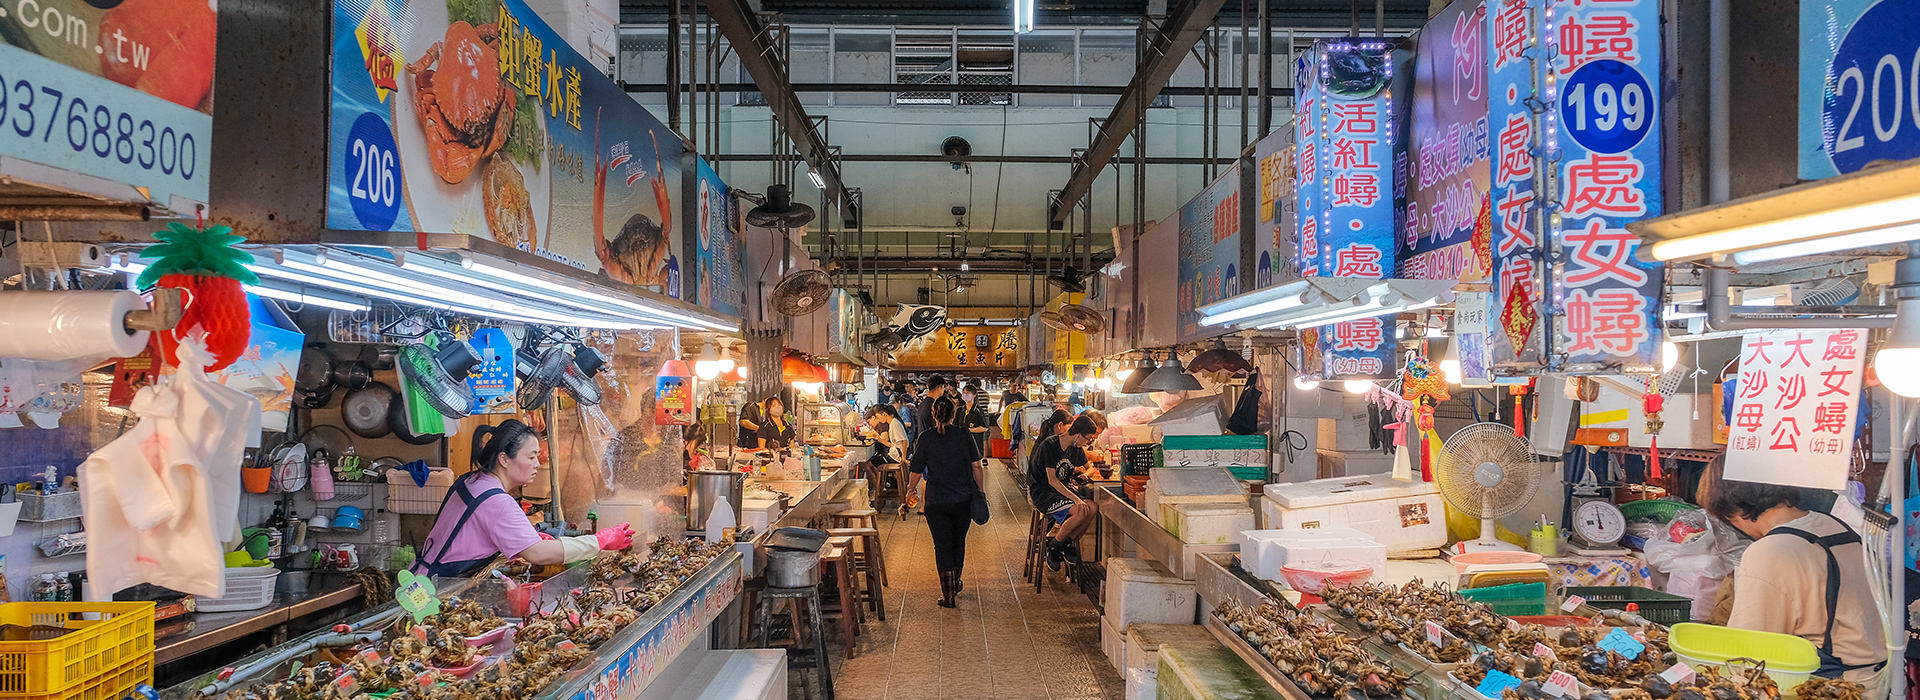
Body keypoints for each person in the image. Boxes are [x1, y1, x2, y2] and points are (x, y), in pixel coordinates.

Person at [1704, 457, 1887, 687]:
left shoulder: (1770, 551)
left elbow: (1747, 648)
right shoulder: (1832, 524)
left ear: (1736, 510)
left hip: (1832, 687)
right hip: (1877, 680)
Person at [412, 420, 634, 577]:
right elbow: (538, 554)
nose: (537, 464)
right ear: (504, 459)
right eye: (531, 457)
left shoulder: (471, 481)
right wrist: (601, 540)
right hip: (436, 592)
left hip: (419, 579)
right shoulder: (497, 501)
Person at [908, 395, 984, 608]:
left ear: (934, 414)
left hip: (936, 502)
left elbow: (915, 470)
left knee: (942, 545)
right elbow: (977, 466)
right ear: (954, 414)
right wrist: (981, 490)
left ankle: (948, 594)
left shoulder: (926, 438)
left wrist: (909, 490)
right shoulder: (964, 435)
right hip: (963, 500)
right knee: (958, 541)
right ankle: (955, 581)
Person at [1029, 415, 1099, 569]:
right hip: (1044, 493)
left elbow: (1090, 468)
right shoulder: (1050, 445)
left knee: (1092, 508)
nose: (1088, 443)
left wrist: (1084, 475)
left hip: (1063, 492)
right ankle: (1053, 548)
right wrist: (1077, 499)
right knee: (1081, 511)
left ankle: (1065, 543)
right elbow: (1052, 480)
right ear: (1078, 435)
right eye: (1088, 439)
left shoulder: (1076, 448)